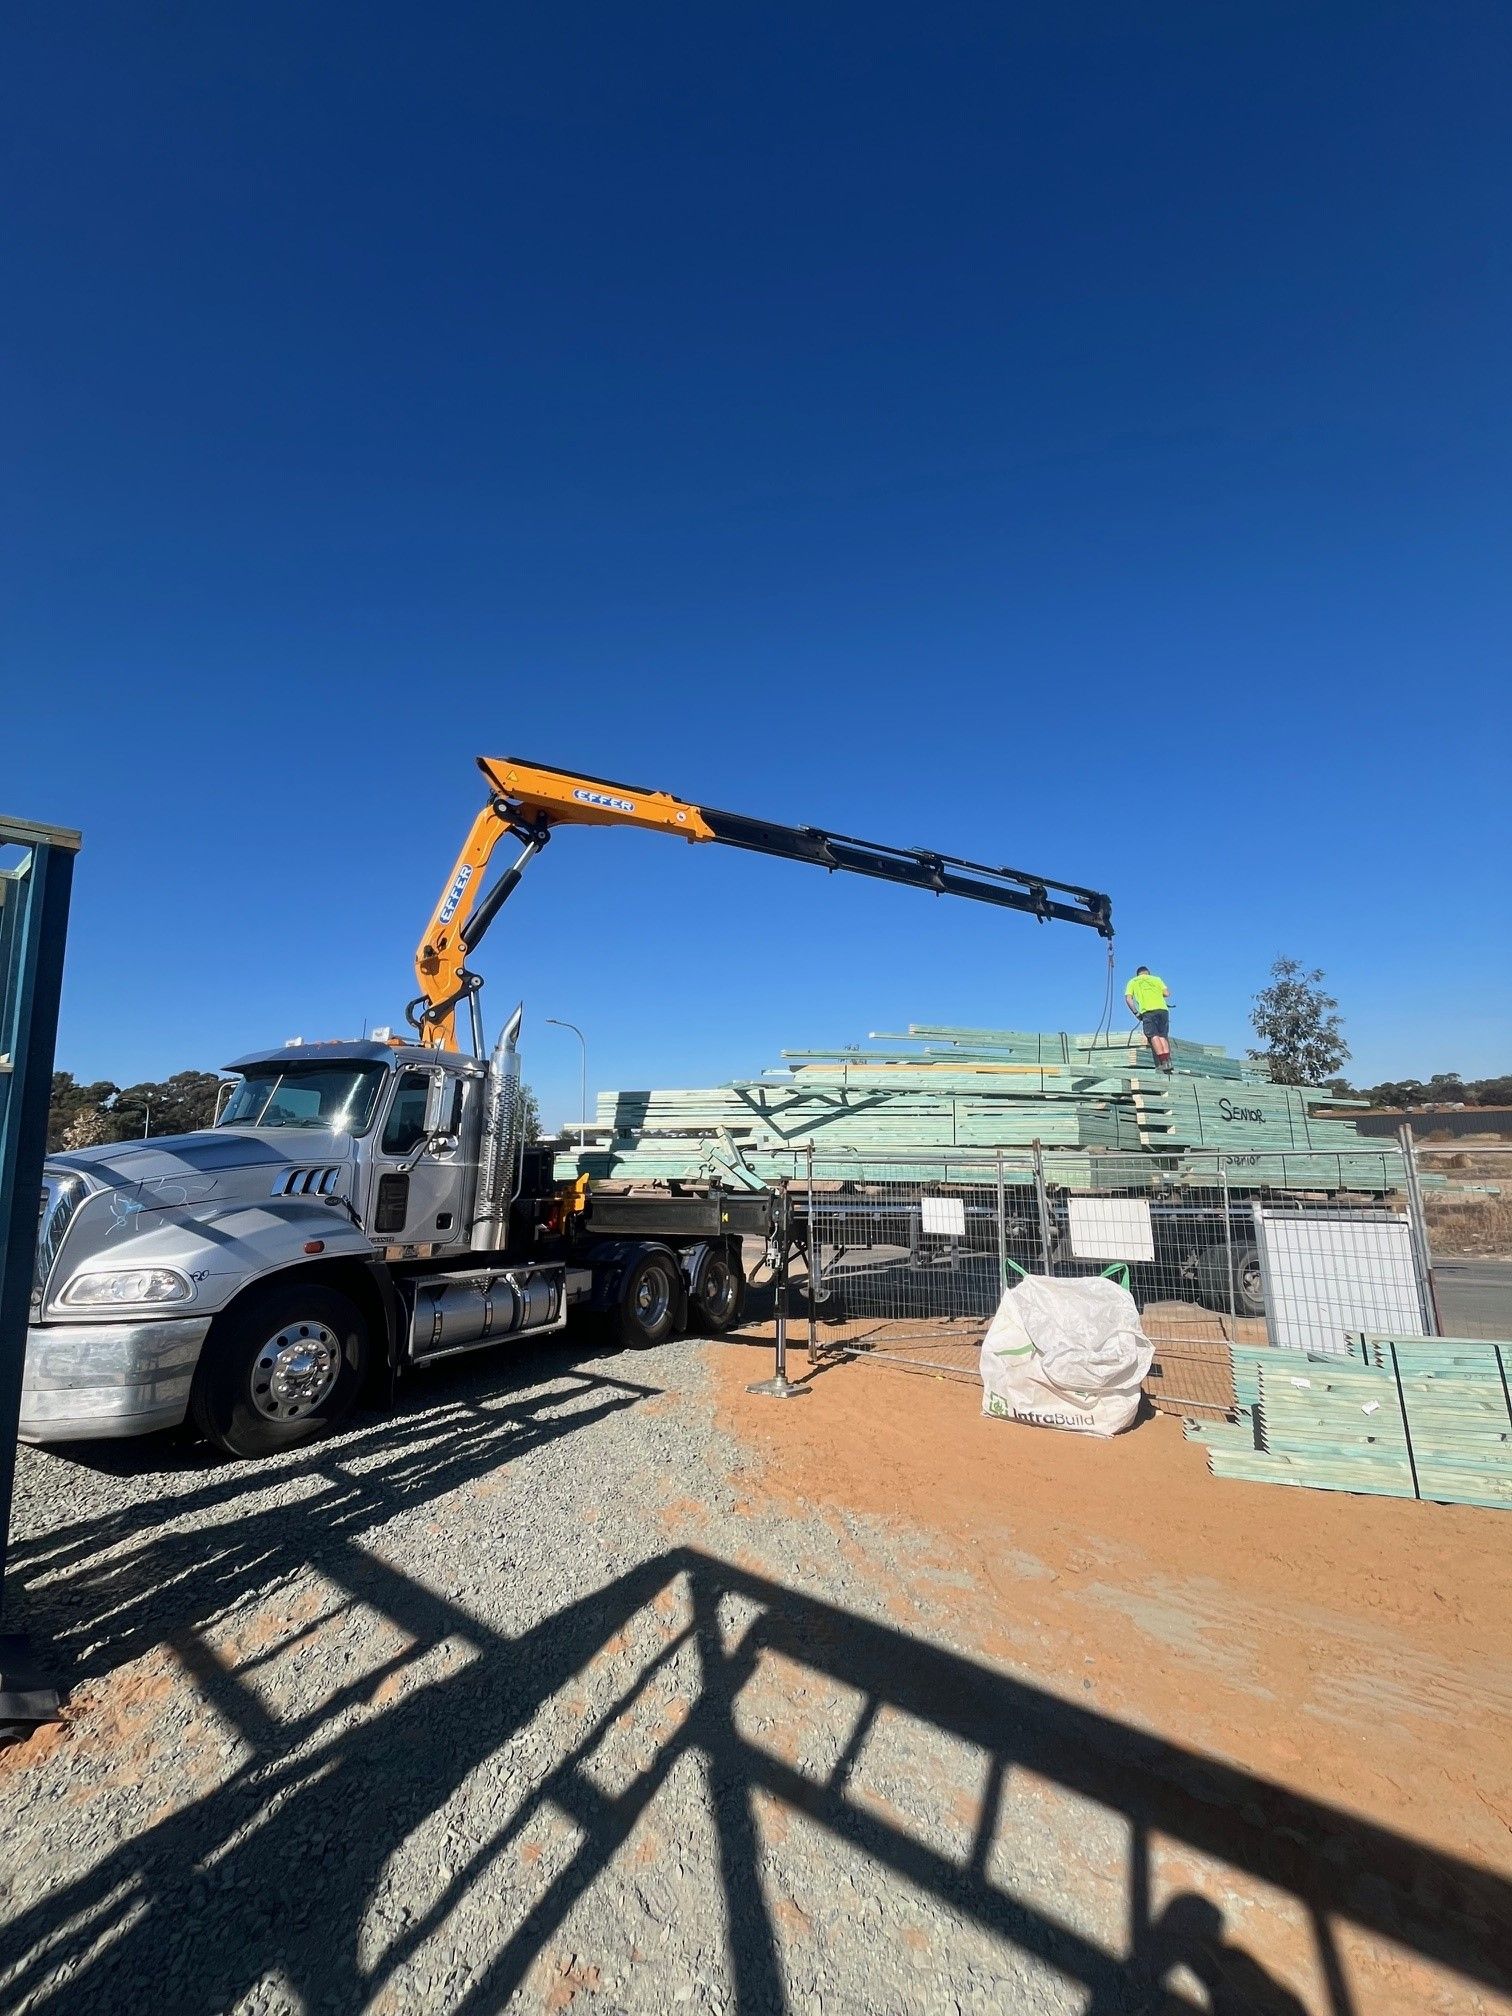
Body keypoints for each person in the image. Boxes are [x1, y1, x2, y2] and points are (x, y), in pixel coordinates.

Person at [1124, 965, 1173, 1072]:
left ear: (1138, 974)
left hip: (1148, 1011)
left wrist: (1136, 1013)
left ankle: (1163, 1062)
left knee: (1153, 1036)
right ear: (1148, 973)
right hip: (1163, 1010)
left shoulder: (1133, 981)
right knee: (1163, 1035)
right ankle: (1168, 1061)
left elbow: (1128, 999)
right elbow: (1166, 993)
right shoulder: (1156, 979)